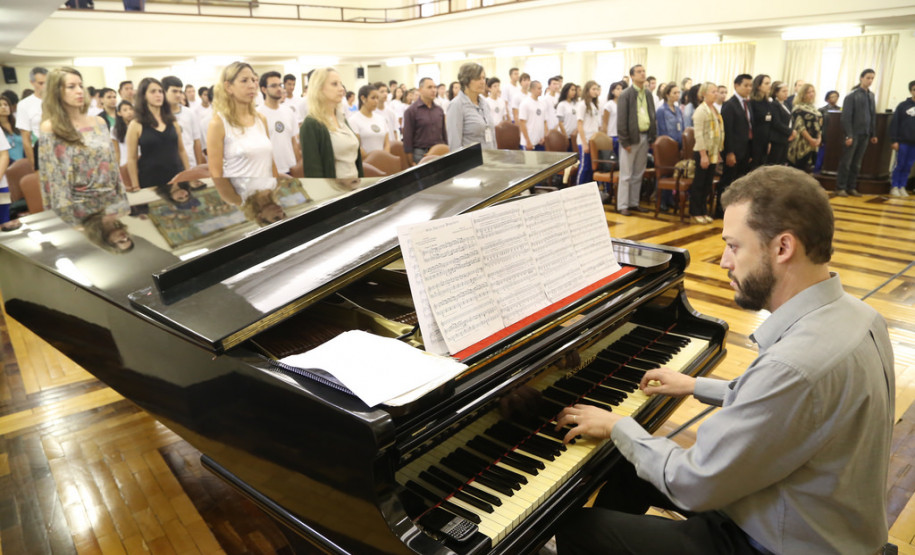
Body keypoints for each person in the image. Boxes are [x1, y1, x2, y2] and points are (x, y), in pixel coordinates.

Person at [555, 165, 894, 555]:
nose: (723, 262)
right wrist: (694, 385)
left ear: (783, 248)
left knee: (582, 526)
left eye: (734, 246)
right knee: (633, 470)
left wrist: (619, 426)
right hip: (821, 516)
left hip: (779, 541)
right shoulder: (860, 316)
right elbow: (787, 407)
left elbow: (693, 482)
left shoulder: (793, 368)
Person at [37, 67, 128, 227]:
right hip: (79, 206)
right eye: (71, 87)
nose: (79, 91)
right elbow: (53, 179)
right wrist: (65, 221)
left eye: (81, 85)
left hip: (110, 200)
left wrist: (122, 200)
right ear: (56, 91)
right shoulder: (51, 127)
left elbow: (112, 166)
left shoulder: (99, 123)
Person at [208, 62, 276, 205]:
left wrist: (276, 191)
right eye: (244, 81)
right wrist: (237, 201)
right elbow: (216, 174)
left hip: (268, 196)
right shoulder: (219, 124)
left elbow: (271, 162)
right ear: (228, 87)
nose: (251, 85)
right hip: (243, 199)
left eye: (253, 80)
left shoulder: (260, 119)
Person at [299, 67, 363, 179]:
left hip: (354, 187)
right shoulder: (311, 124)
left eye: (341, 84)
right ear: (319, 89)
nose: (341, 89)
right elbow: (313, 172)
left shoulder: (341, 118)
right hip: (335, 192)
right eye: (334, 84)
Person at [126, 77, 188, 191]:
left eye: (160, 91)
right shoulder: (136, 124)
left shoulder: (172, 121)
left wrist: (189, 175)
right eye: (153, 91)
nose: (158, 95)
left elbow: (181, 150)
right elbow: (131, 158)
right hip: (151, 180)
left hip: (176, 176)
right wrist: (135, 185)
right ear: (144, 95)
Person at [616, 64, 656, 216]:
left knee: (638, 173)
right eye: (639, 72)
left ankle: (633, 203)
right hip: (631, 139)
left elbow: (652, 115)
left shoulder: (647, 93)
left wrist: (653, 136)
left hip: (645, 136)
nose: (642, 74)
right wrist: (624, 141)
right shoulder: (626, 94)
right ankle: (623, 205)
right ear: (632, 76)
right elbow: (621, 120)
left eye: (644, 71)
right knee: (626, 174)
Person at [836, 69, 878, 197]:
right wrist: (849, 135)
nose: (870, 81)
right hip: (853, 134)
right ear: (861, 78)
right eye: (868, 78)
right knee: (846, 162)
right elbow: (846, 117)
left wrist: (873, 133)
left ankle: (851, 187)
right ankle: (840, 188)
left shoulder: (871, 95)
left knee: (857, 163)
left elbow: (872, 116)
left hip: (865, 134)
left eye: (872, 78)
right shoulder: (852, 95)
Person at [717, 74, 754, 218]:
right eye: (745, 85)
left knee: (740, 182)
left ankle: (735, 211)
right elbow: (728, 131)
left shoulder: (747, 103)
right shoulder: (729, 105)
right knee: (728, 181)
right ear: (736, 86)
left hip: (746, 149)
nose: (748, 88)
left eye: (750, 85)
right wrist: (729, 152)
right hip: (734, 150)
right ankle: (721, 210)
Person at [687, 82, 724, 224]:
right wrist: (703, 155)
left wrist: (718, 151)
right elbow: (699, 135)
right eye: (713, 91)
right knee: (699, 183)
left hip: (713, 151)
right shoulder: (701, 111)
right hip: (703, 151)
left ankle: (703, 210)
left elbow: (718, 131)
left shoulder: (714, 109)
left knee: (708, 183)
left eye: (716, 91)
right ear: (704, 94)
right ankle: (695, 212)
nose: (716, 94)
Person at [257, 71, 301, 175]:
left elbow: (293, 141)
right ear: (263, 89)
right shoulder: (257, 114)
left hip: (290, 168)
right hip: (269, 170)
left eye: (280, 85)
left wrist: (298, 165)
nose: (279, 89)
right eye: (273, 86)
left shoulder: (288, 111)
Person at [447, 62, 495, 151]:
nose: (482, 82)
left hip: (490, 160)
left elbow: (492, 137)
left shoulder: (484, 103)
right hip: (471, 162)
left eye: (483, 78)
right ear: (466, 81)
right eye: (478, 78)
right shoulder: (456, 105)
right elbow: (455, 145)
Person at [162, 75, 204, 167]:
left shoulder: (189, 113)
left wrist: (199, 166)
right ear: (164, 92)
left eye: (180, 91)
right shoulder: (159, 115)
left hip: (190, 164)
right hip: (168, 165)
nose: (178, 95)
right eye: (174, 91)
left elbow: (196, 141)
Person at [402, 77, 446, 164]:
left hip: (439, 151)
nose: (433, 90)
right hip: (421, 153)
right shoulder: (411, 111)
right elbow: (407, 138)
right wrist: (410, 161)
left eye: (434, 87)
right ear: (420, 90)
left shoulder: (439, 110)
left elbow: (444, 134)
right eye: (429, 87)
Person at [655, 82, 685, 212]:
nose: (677, 95)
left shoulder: (678, 109)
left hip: (677, 145)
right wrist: (669, 144)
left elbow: (682, 127)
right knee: (663, 173)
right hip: (666, 146)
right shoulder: (662, 110)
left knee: (673, 172)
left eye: (678, 93)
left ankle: (670, 200)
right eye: (674, 93)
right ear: (667, 95)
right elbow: (662, 129)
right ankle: (661, 201)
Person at [16, 67, 47, 169]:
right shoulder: (24, 104)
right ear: (32, 83)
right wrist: (33, 164)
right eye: (41, 83)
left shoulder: (58, 101)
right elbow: (26, 139)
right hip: (39, 150)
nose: (45, 86)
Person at [787, 83, 823, 173]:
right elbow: (800, 127)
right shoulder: (798, 108)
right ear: (802, 94)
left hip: (814, 143)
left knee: (810, 169)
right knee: (799, 169)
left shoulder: (814, 108)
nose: (811, 94)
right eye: (808, 92)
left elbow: (818, 125)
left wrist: (819, 138)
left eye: (812, 91)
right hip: (801, 143)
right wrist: (810, 139)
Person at [889, 80, 915, 197]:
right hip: (902, 141)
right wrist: (894, 140)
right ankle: (895, 186)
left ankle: (902, 186)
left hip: (913, 143)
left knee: (908, 165)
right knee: (899, 164)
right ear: (911, 91)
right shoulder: (902, 106)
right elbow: (895, 124)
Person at [349, 84, 390, 155]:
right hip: (366, 163)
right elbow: (358, 146)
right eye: (373, 98)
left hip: (382, 162)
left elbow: (387, 143)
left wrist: (384, 158)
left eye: (377, 98)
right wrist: (371, 161)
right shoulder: (353, 120)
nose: (376, 101)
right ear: (363, 98)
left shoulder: (381, 119)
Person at [576, 81, 602, 186]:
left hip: (593, 141)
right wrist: (584, 143)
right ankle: (577, 189)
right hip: (585, 140)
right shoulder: (582, 105)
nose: (596, 91)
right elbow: (579, 124)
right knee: (584, 167)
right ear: (587, 90)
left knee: (592, 168)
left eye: (597, 89)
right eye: (593, 89)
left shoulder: (594, 105)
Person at [767, 81, 795, 166]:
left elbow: (790, 119)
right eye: (783, 91)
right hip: (777, 139)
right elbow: (776, 123)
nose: (786, 93)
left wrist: (792, 131)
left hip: (785, 138)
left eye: (787, 91)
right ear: (776, 92)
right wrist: (791, 132)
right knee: (775, 163)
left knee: (782, 163)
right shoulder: (773, 105)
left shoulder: (786, 104)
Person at [748, 74, 772, 170]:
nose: (769, 85)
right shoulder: (752, 102)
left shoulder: (767, 102)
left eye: (769, 83)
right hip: (755, 140)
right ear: (758, 86)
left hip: (765, 140)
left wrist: (769, 141)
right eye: (766, 83)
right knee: (753, 167)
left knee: (762, 167)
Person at [518, 80, 547, 151]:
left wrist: (544, 137)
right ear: (532, 89)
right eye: (539, 88)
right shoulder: (525, 103)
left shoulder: (542, 104)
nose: (541, 90)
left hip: (540, 142)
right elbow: (522, 123)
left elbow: (545, 122)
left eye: (541, 88)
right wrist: (527, 141)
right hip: (528, 143)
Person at [600, 82, 623, 156]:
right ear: (612, 91)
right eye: (618, 89)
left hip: (621, 135)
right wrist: (605, 137)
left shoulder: (623, 104)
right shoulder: (609, 105)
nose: (620, 91)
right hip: (611, 135)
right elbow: (605, 122)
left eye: (621, 89)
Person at [0, 95, 24, 162]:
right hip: (6, 166)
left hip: (23, 164)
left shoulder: (18, 125)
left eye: (6, 105)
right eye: (0, 105)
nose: (3, 107)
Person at [555, 83, 578, 151]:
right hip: (565, 136)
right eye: (572, 90)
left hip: (574, 136)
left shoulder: (576, 104)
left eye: (575, 90)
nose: (574, 92)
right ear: (566, 91)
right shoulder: (562, 105)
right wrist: (565, 136)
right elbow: (560, 122)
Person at [111, 100, 133, 166]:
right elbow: (116, 151)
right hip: (124, 163)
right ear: (119, 113)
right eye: (125, 110)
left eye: (131, 109)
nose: (129, 112)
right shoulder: (114, 130)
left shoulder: (139, 126)